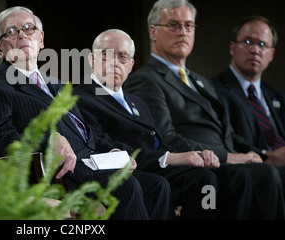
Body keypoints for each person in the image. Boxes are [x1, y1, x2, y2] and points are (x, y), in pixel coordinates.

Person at [0, 6, 176, 219]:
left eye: (29, 28)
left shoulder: (56, 84)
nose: (22, 34)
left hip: (90, 162)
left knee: (158, 185)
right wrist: (48, 141)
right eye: (12, 32)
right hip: (53, 171)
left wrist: (116, 153)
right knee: (127, 186)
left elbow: (87, 134)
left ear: (40, 40)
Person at [123, 0, 285, 219]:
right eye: (173, 25)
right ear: (153, 31)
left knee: (270, 170)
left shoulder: (201, 81)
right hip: (194, 166)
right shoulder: (146, 79)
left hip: (224, 162)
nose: (183, 32)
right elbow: (165, 137)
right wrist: (230, 157)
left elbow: (227, 133)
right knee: (256, 175)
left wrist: (257, 154)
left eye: (189, 26)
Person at [73, 28, 260, 219]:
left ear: (130, 65)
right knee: (201, 180)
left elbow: (158, 140)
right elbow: (101, 144)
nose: (115, 63)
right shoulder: (81, 98)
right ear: (91, 59)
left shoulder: (136, 101)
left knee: (228, 176)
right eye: (106, 55)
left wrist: (194, 154)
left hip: (158, 165)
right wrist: (169, 157)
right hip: (135, 169)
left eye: (122, 57)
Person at [212, 16, 285, 167]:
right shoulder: (213, 90)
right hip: (253, 170)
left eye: (262, 44)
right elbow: (224, 139)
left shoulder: (277, 96)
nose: (255, 50)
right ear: (232, 48)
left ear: (271, 54)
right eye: (247, 42)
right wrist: (266, 156)